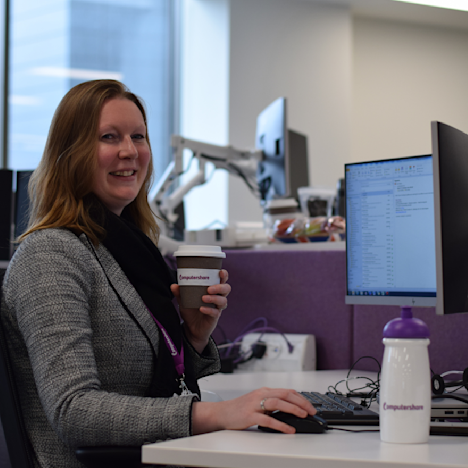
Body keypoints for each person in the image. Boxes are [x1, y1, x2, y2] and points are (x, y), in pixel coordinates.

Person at [0, 80, 315, 468]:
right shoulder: (50, 255)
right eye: (108, 137)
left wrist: (194, 336)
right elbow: (74, 410)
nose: (130, 151)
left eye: (138, 136)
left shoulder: (128, 249)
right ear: (71, 154)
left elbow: (160, 377)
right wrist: (216, 415)